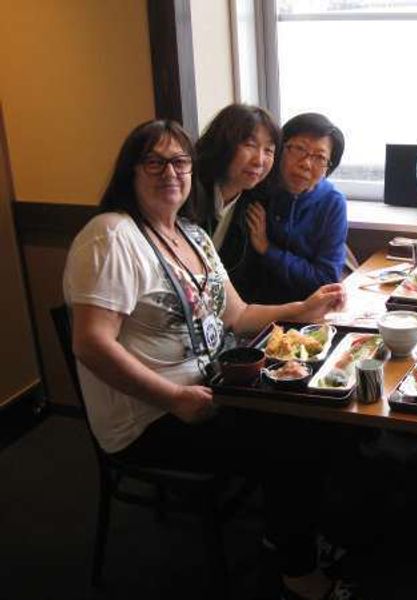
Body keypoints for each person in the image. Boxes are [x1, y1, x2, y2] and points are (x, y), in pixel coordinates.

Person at [63, 119, 360, 600]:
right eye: (154, 162)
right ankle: (296, 569)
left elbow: (238, 313)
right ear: (129, 171)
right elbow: (91, 343)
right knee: (292, 443)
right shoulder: (112, 237)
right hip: (153, 417)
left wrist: (302, 309)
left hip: (213, 386)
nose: (171, 173)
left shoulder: (190, 234)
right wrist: (174, 396)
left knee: (318, 419)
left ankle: (286, 536)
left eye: (180, 161)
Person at [207, 111, 348, 304]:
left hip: (306, 310)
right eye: (299, 149)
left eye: (320, 158)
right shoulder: (254, 189)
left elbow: (326, 279)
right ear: (280, 150)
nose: (306, 164)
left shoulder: (332, 203)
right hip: (248, 307)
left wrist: (267, 249)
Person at [194, 103, 281, 293]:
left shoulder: (255, 204)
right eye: (250, 145)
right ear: (222, 144)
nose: (259, 160)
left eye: (269, 150)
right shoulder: (188, 191)